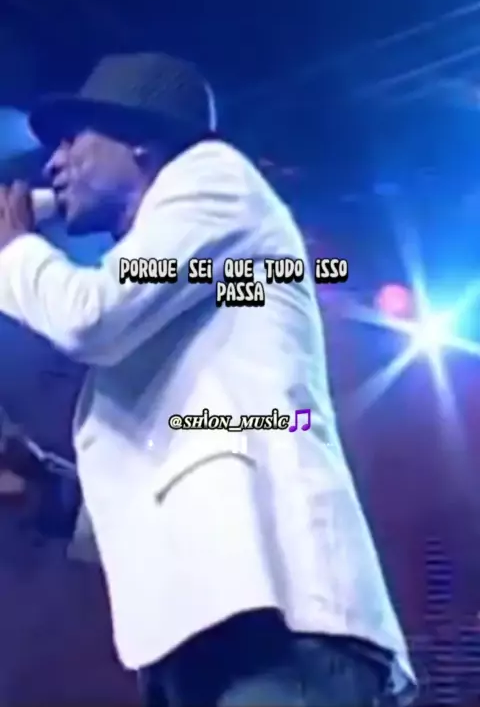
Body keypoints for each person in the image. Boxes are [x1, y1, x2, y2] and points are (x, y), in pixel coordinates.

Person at [0, 52, 416, 706]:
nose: (52, 164)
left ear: (141, 139)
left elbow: (88, 318)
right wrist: (47, 492)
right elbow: (169, 474)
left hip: (281, 632)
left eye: (72, 140)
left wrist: (16, 249)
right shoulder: (185, 294)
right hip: (206, 641)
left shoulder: (214, 178)